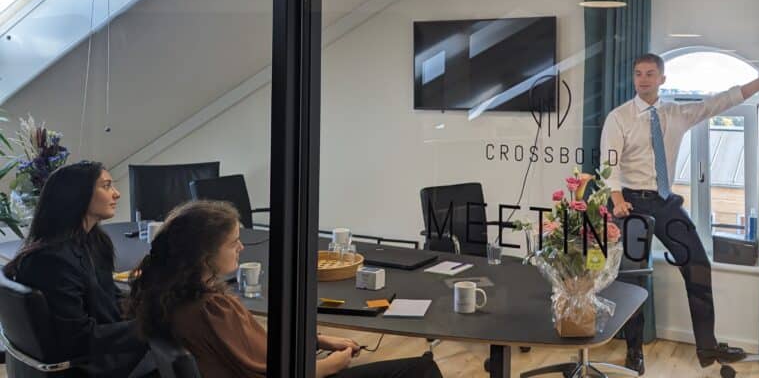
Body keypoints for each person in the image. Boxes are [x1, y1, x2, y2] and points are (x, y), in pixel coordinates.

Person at [601, 53, 759, 374]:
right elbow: (609, 162)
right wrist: (616, 199)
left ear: (662, 79)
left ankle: (707, 347)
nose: (643, 79)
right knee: (633, 279)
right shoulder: (619, 117)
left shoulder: (677, 113)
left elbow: (720, 102)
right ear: (633, 78)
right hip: (630, 205)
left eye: (650, 74)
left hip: (665, 203)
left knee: (698, 265)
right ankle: (634, 350)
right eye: (638, 73)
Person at [128, 200, 443, 378]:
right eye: (232, 242)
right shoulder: (212, 309)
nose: (240, 246)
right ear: (203, 254)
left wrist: (316, 339)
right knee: (421, 370)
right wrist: (335, 362)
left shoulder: (168, 296)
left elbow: (248, 350)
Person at [3, 161, 148, 376]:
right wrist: (151, 327)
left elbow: (110, 297)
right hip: (90, 366)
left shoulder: (94, 240)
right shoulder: (50, 261)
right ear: (77, 195)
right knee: (189, 349)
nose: (116, 194)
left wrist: (151, 305)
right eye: (106, 186)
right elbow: (79, 339)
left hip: (103, 350)